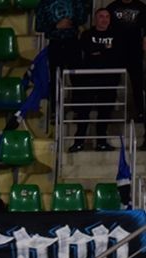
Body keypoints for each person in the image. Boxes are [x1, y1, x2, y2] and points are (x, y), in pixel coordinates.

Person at [70, 9, 122, 152]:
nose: (104, 19)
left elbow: (117, 54)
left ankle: (101, 142)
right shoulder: (87, 34)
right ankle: (78, 142)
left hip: (109, 80)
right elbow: (88, 50)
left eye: (107, 16)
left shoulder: (116, 35)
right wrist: (106, 49)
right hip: (89, 79)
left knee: (104, 113)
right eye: (101, 16)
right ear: (95, 19)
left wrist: (99, 51)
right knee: (83, 112)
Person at [36, 0, 91, 116]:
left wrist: (70, 22)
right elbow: (39, 26)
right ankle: (55, 110)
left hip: (73, 42)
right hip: (55, 43)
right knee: (55, 77)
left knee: (77, 77)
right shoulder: (45, 3)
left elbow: (83, 18)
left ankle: (79, 110)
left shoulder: (76, 2)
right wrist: (56, 25)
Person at [107, 0, 146, 144]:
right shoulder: (112, 7)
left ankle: (140, 111)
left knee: (137, 83)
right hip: (117, 51)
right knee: (112, 81)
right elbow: (106, 26)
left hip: (135, 51)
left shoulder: (141, 7)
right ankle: (109, 110)